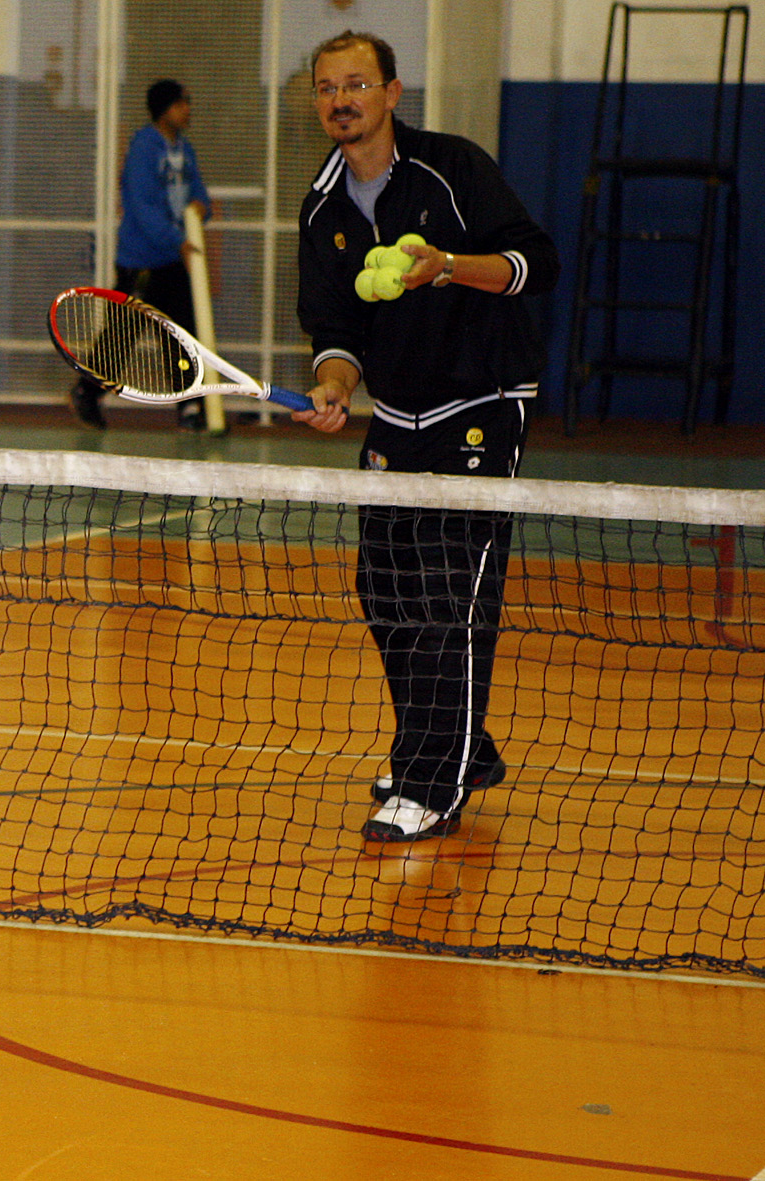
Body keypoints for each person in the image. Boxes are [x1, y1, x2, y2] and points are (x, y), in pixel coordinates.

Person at [290, 31, 559, 841]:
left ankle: (431, 779)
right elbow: (335, 334)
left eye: (357, 84)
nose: (342, 100)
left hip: (482, 402)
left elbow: (535, 263)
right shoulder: (323, 206)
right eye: (328, 87)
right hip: (396, 416)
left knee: (451, 594)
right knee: (385, 591)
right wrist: (334, 388)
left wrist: (447, 264)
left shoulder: (453, 167)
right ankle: (459, 745)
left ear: (392, 92)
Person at [69, 78, 212, 430]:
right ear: (163, 110)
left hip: (172, 261)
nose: (187, 110)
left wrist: (201, 206)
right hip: (141, 262)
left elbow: (198, 191)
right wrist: (176, 239)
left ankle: (190, 407)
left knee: (182, 334)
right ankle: (88, 391)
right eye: (180, 104)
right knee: (122, 334)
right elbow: (143, 207)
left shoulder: (185, 150)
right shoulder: (144, 150)